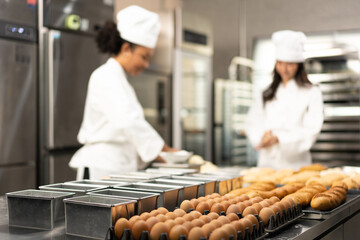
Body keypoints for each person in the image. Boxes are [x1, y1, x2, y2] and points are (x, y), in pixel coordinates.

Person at [69, 5, 177, 180]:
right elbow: (129, 121)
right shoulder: (105, 76)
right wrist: (164, 152)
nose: (146, 64)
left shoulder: (119, 80)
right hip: (101, 169)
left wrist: (163, 151)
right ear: (126, 49)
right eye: (144, 57)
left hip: (118, 168)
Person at [245, 30, 324, 170]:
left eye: (290, 64)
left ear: (299, 65)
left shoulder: (312, 92)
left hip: (296, 167)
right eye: (280, 63)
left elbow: (312, 130)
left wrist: (279, 139)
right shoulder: (267, 93)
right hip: (266, 166)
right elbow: (253, 122)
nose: (284, 69)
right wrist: (261, 137)